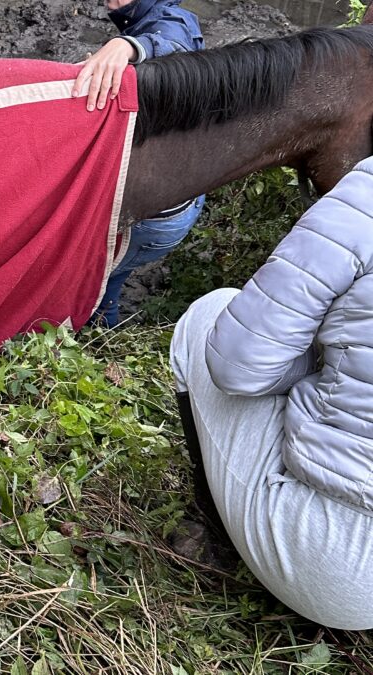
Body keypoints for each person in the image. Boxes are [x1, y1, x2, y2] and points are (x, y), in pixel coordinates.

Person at [169, 157, 373, 629]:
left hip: (344, 568)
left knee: (211, 313)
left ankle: (216, 537)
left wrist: (310, 372)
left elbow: (238, 365)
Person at [72, 0, 206, 327]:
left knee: (84, 276)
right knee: (112, 276)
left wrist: (129, 45)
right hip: (184, 192)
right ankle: (105, 326)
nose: (108, 2)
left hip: (159, 215)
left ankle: (98, 338)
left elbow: (173, 48)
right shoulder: (150, 16)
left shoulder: (172, 21)